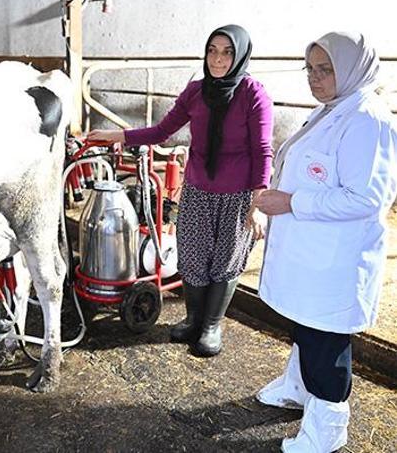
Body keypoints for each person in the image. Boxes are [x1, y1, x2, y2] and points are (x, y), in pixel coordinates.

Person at [85, 24, 274, 356]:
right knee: (192, 257)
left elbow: (263, 150)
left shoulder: (253, 95)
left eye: (227, 51)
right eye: (212, 50)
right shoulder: (196, 92)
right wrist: (116, 136)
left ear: (241, 54)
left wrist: (258, 202)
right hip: (199, 188)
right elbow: (162, 131)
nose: (218, 58)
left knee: (226, 259)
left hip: (238, 193)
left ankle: (211, 326)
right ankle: (192, 319)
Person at [254, 32, 397, 452]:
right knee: (305, 328)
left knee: (326, 343)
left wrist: (291, 200)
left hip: (333, 263)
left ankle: (327, 429)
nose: (315, 79)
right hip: (309, 254)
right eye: (311, 69)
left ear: (352, 69)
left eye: (326, 69)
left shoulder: (367, 119)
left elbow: (368, 198)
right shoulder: (333, 109)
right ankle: (298, 387)